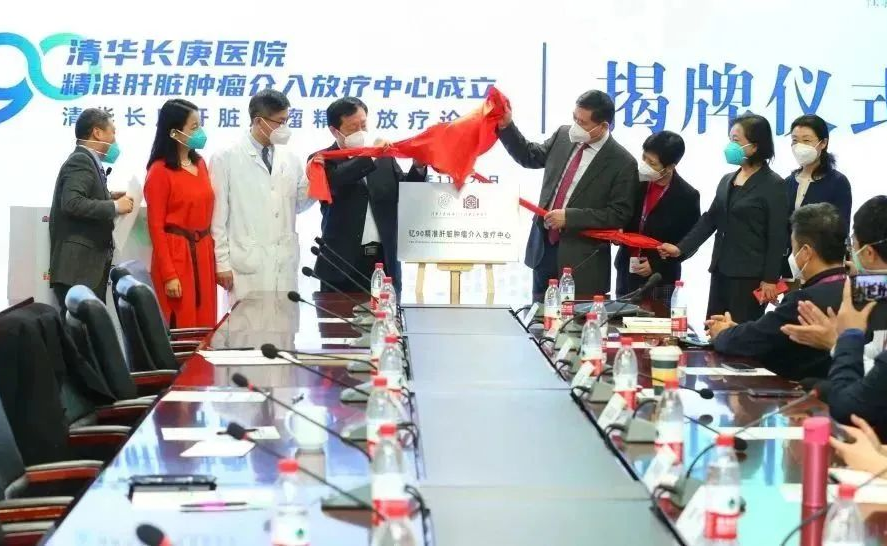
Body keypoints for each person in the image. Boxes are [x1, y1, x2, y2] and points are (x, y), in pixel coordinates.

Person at [498, 90, 638, 299]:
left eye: (582, 122)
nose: (575, 126)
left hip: (582, 259)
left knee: (574, 317)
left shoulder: (622, 162)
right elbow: (530, 156)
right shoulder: (563, 135)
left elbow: (619, 214)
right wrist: (506, 126)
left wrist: (570, 217)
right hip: (544, 248)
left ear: (603, 126)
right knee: (539, 314)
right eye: (574, 118)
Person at [658, 114, 788, 323]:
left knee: (740, 332)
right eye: (730, 139)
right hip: (721, 269)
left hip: (750, 277)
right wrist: (680, 248)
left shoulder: (774, 185)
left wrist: (770, 279)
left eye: (736, 140)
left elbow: (777, 235)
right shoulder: (728, 179)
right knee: (714, 328)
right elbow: (710, 219)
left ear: (755, 146)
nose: (730, 146)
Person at [780, 197, 887, 439]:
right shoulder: (873, 293)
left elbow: (852, 405)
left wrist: (845, 339)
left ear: (868, 252)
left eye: (853, 245)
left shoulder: (865, 294)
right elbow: (876, 372)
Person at [706, 203, 847, 380]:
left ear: (805, 252)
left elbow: (756, 340)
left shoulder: (803, 301)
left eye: (793, 248)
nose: (791, 256)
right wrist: (736, 331)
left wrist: (722, 333)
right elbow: (765, 333)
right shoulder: (857, 290)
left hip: (799, 391)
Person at [311, 97, 426, 294]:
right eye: (353, 127)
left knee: (386, 312)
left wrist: (418, 166)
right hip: (341, 265)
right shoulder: (322, 160)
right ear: (334, 131)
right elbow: (339, 179)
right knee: (337, 314)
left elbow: (405, 193)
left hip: (383, 261)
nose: (361, 131)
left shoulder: (384, 158)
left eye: (363, 125)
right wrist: (373, 154)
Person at [210, 89, 314, 304]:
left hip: (283, 262)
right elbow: (218, 217)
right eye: (280, 122)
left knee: (284, 322)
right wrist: (222, 263)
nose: (285, 128)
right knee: (246, 323)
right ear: (259, 121)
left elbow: (298, 204)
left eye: (287, 121)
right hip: (246, 263)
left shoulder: (290, 158)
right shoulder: (226, 157)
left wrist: (315, 180)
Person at [49, 108, 134, 318]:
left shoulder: (88, 160)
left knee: (91, 332)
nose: (115, 140)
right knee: (81, 333)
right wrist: (114, 207)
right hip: (78, 270)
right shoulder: (81, 160)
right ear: (97, 132)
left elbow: (84, 196)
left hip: (86, 270)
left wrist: (110, 196)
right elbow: (72, 202)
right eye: (112, 132)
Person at [144, 99, 216, 328]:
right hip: (177, 256)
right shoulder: (159, 171)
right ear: (175, 132)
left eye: (200, 125)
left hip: (203, 252)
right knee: (182, 321)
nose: (200, 132)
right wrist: (169, 274)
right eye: (194, 127)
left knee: (205, 320)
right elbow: (156, 227)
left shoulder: (201, 164)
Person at [614, 131, 700, 302]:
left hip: (660, 279)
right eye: (644, 158)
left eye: (652, 163)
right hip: (627, 270)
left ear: (670, 167)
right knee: (621, 317)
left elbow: (689, 243)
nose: (645, 165)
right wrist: (618, 229)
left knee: (656, 319)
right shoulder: (635, 181)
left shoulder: (687, 196)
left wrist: (657, 265)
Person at [780, 114, 852, 279]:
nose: (799, 146)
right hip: (790, 266)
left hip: (822, 267)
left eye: (806, 140)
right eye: (795, 140)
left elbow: (841, 228)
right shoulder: (787, 182)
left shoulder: (838, 182)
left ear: (823, 143)